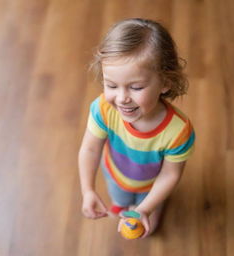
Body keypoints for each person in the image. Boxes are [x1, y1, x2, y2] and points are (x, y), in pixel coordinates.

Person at [78, 18, 195, 238]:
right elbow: (90, 149)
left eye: (136, 87)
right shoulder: (103, 109)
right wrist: (88, 190)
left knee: (146, 206)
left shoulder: (178, 131)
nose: (122, 98)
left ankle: (151, 208)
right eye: (111, 85)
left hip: (153, 185)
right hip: (115, 174)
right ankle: (122, 206)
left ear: (165, 83)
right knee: (120, 199)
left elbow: (170, 175)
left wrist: (145, 209)